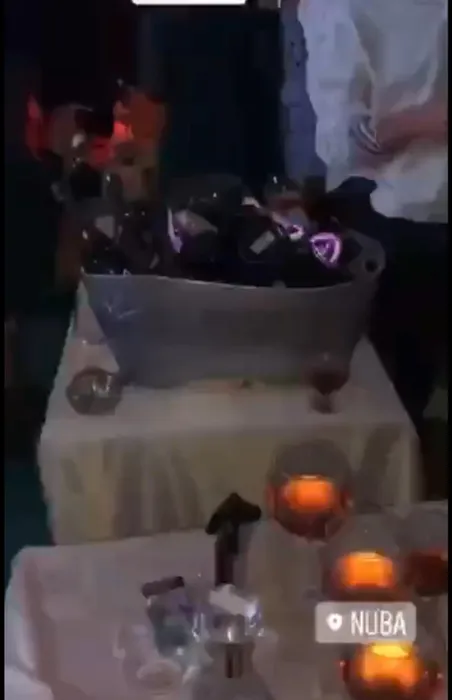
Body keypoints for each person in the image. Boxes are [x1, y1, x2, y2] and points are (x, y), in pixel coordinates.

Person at [299, 0, 448, 431]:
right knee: (387, 401)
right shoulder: (339, 7)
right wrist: (425, 122)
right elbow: (341, 144)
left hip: (421, 217)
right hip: (396, 220)